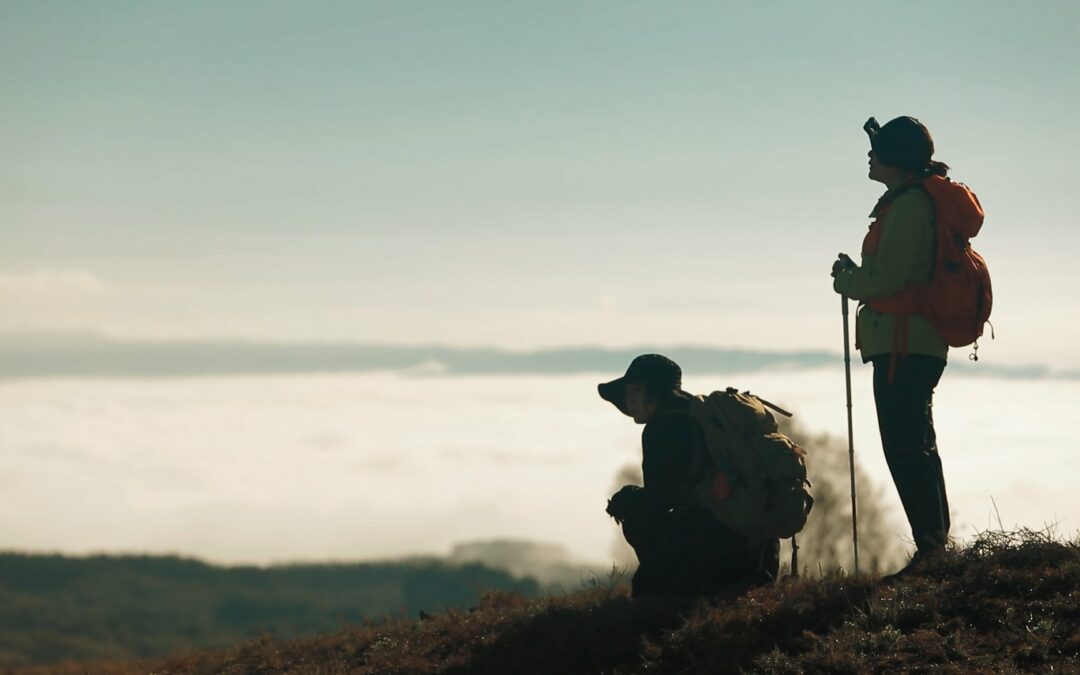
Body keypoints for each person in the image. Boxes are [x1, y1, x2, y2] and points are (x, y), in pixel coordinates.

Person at [831, 116, 977, 578]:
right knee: (917, 443)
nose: (870, 157)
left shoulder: (910, 205)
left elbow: (887, 278)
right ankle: (934, 547)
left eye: (878, 150)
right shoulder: (916, 201)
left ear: (896, 157)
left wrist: (847, 279)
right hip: (916, 340)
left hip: (902, 341)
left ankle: (931, 552)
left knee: (905, 445)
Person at [599, 354, 779, 599]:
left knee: (633, 509)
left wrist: (627, 501)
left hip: (715, 553)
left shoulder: (662, 428)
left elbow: (660, 500)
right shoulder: (708, 417)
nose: (629, 400)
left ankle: (671, 591)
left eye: (636, 391)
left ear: (654, 392)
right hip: (760, 555)